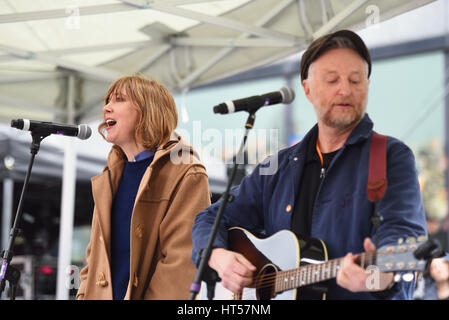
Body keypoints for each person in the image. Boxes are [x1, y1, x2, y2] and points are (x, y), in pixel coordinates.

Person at [191, 30, 427, 300]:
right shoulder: (277, 167)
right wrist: (218, 256)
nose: (345, 89)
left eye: (356, 80)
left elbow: (404, 240)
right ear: (307, 88)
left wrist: (376, 279)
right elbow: (210, 218)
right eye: (332, 79)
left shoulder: (390, 157)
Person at [77, 74, 211, 299]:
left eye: (118, 99)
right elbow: (93, 262)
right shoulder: (110, 176)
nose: (107, 108)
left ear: (148, 110)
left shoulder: (186, 172)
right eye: (107, 101)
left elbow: (180, 266)